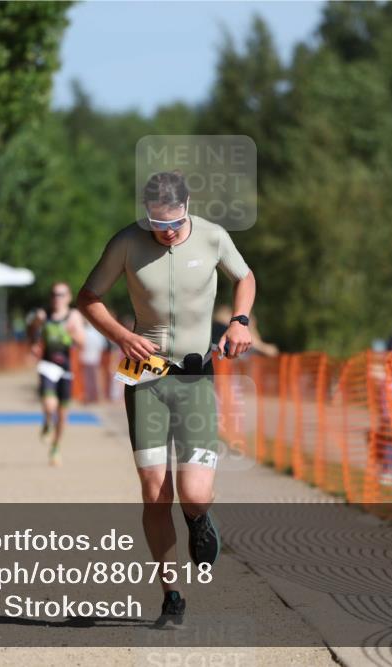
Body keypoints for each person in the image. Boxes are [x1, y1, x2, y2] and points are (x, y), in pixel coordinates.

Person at [77, 170, 256, 628]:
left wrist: (239, 321)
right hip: (147, 380)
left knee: (194, 493)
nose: (168, 232)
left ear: (188, 205)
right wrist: (121, 336)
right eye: (158, 224)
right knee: (156, 493)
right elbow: (89, 296)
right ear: (146, 213)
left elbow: (245, 276)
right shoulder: (127, 242)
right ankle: (172, 595)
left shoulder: (214, 237)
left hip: (196, 378)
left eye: (174, 222)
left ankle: (199, 519)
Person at [29, 283, 85, 466]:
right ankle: (47, 421)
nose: (57, 298)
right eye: (54, 294)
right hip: (47, 365)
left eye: (61, 294)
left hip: (66, 369)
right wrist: (34, 340)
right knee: (49, 403)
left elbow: (82, 342)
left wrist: (71, 333)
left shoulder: (74, 316)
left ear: (68, 297)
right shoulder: (43, 315)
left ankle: (56, 447)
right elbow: (31, 332)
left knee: (62, 413)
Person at [80, 317, 108, 403]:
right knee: (94, 379)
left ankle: (93, 397)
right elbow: (103, 346)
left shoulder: (85, 331)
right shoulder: (95, 332)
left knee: (90, 380)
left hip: (88, 358)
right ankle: (94, 397)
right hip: (92, 358)